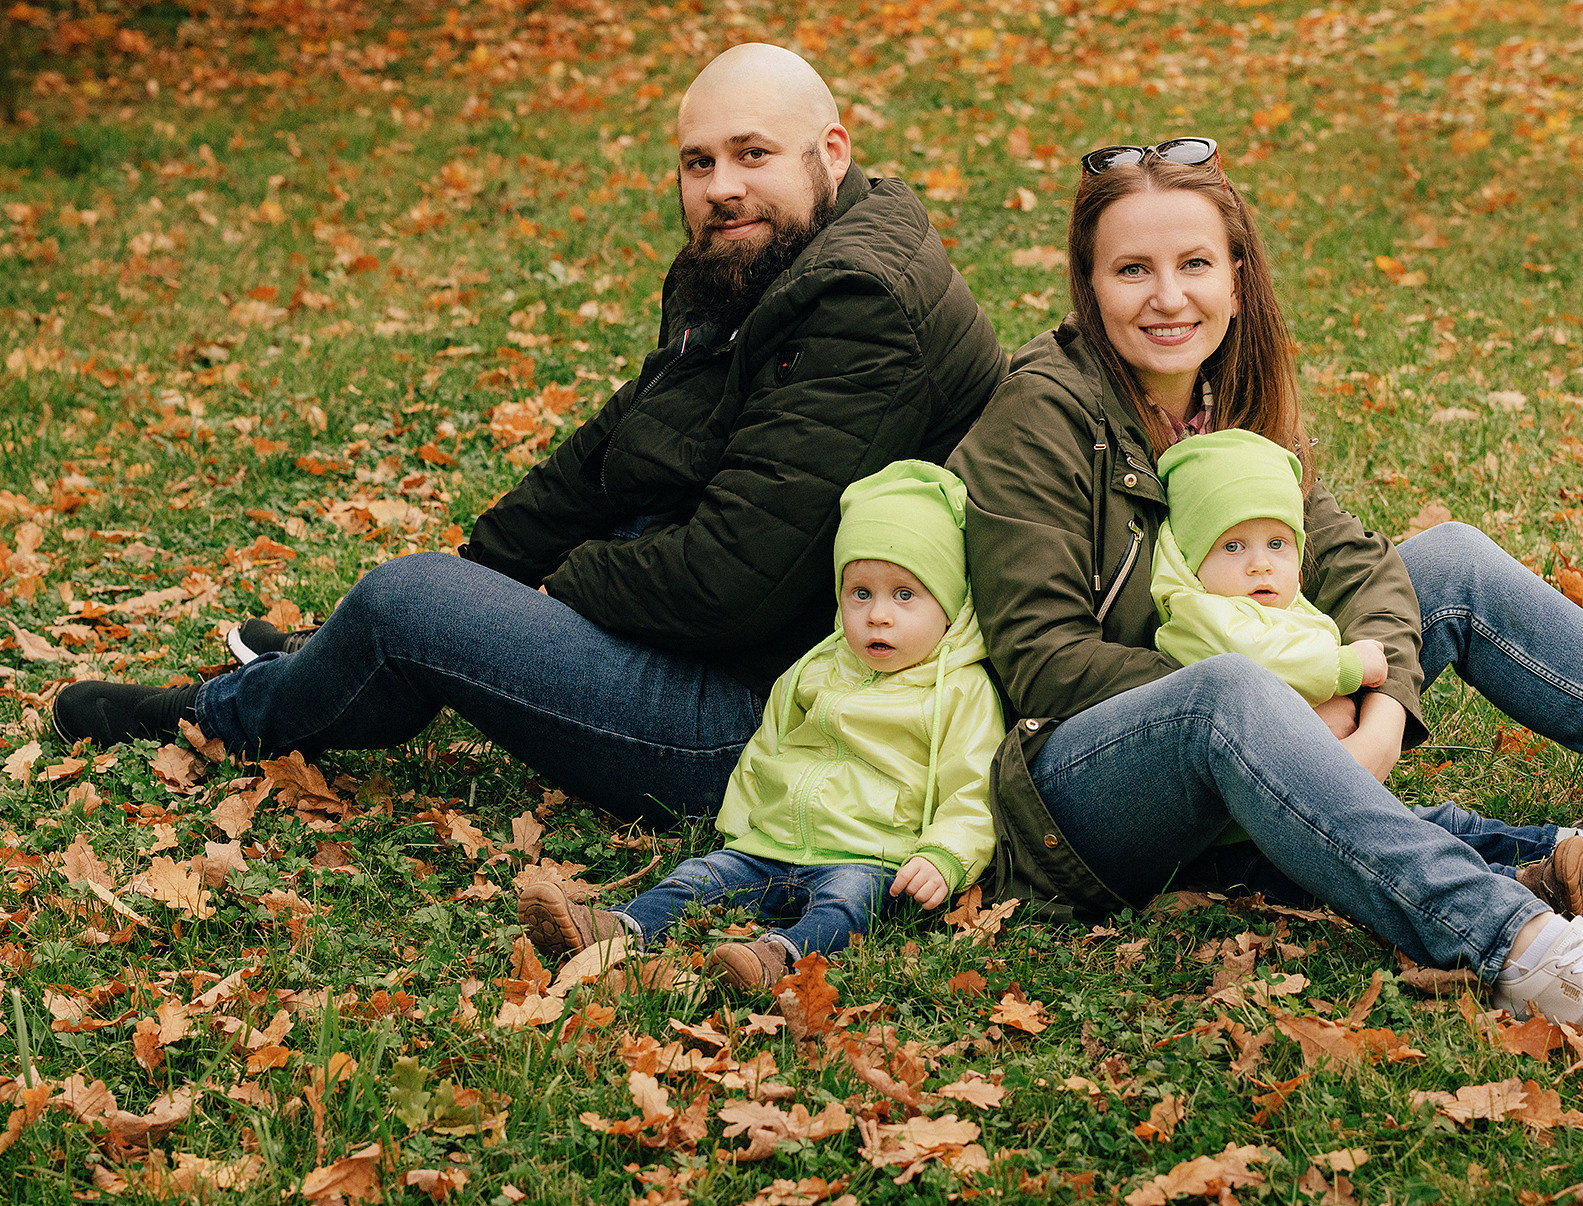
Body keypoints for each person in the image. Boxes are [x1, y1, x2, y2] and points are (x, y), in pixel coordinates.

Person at [949, 137, 1583, 1049]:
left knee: (1450, 560)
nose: (1168, 296)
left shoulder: (1225, 400)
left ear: (1237, 278)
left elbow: (1357, 565)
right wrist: (1290, 692)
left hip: (1262, 711)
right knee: (1230, 691)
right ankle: (1522, 945)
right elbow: (1043, 662)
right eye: (1132, 269)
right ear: (1088, 285)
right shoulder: (1042, 415)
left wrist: (1384, 706)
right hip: (1079, 792)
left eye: (1194, 264)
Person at [49, 44, 1006, 826]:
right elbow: (617, 442)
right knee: (445, 594)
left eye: (753, 154)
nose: (722, 188)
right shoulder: (770, 255)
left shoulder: (860, 302)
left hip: (763, 721)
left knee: (405, 601)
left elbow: (734, 581)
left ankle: (215, 714)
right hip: (731, 643)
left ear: (830, 152)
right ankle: (324, 666)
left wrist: (548, 588)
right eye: (698, 162)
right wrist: (487, 573)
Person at [516, 462, 1005, 990]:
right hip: (770, 846)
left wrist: (943, 856)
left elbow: (974, 788)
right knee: (699, 877)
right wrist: (741, 829)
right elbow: (765, 749)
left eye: (904, 595)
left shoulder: (960, 690)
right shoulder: (816, 668)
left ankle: (776, 957)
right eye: (861, 593)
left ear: (950, 605)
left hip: (872, 858)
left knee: (848, 905)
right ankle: (618, 927)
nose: (878, 615)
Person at [1150, 426, 1583, 916]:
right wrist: (1348, 667)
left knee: (1418, 825)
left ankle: (1561, 842)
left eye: (1277, 544)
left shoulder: (1279, 602)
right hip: (1243, 832)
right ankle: (1523, 885)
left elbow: (1358, 572)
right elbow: (1268, 660)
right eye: (1233, 547)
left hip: (1310, 794)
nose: (1260, 564)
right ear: (1192, 562)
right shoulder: (1201, 614)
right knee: (1364, 861)